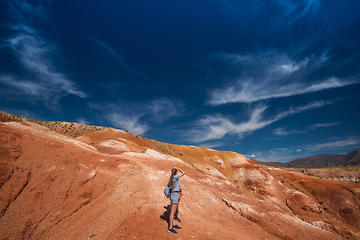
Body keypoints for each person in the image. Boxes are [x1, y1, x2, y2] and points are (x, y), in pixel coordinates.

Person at [167, 167, 185, 234]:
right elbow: (184, 173)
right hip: (175, 195)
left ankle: (173, 224)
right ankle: (170, 227)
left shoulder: (171, 178)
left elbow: (168, 185)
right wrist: (179, 168)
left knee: (173, 211)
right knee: (172, 212)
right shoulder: (175, 177)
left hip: (172, 194)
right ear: (176, 172)